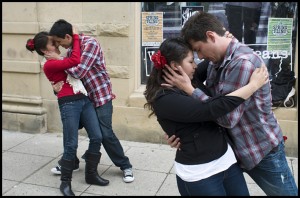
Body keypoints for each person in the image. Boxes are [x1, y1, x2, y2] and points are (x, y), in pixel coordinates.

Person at [164, 11, 298, 196]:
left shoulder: (241, 64)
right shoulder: (217, 59)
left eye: (199, 49)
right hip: (233, 148)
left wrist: (191, 90)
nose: (200, 57)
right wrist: (181, 133)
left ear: (211, 36)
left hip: (259, 150)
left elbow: (226, 118)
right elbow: (209, 99)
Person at [143, 37, 269, 196]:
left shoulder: (189, 78)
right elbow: (212, 108)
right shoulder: (164, 98)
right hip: (200, 173)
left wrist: (225, 40)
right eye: (191, 61)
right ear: (175, 66)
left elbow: (212, 58)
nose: (195, 65)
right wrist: (253, 86)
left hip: (227, 161)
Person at [25, 28, 109, 196]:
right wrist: (76, 36)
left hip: (84, 99)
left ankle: (91, 174)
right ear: (44, 50)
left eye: (56, 41)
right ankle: (65, 183)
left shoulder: (59, 58)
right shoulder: (50, 63)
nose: (56, 44)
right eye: (52, 43)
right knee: (71, 143)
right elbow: (75, 61)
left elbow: (75, 64)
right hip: (69, 103)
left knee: (97, 136)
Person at [49, 19, 134, 183]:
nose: (61, 46)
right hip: (83, 99)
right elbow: (67, 76)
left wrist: (59, 61)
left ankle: (125, 165)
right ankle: (70, 163)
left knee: (105, 134)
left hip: (100, 97)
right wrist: (56, 86)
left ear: (68, 36)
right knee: (70, 130)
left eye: (60, 42)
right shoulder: (70, 52)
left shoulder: (90, 44)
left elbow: (79, 72)